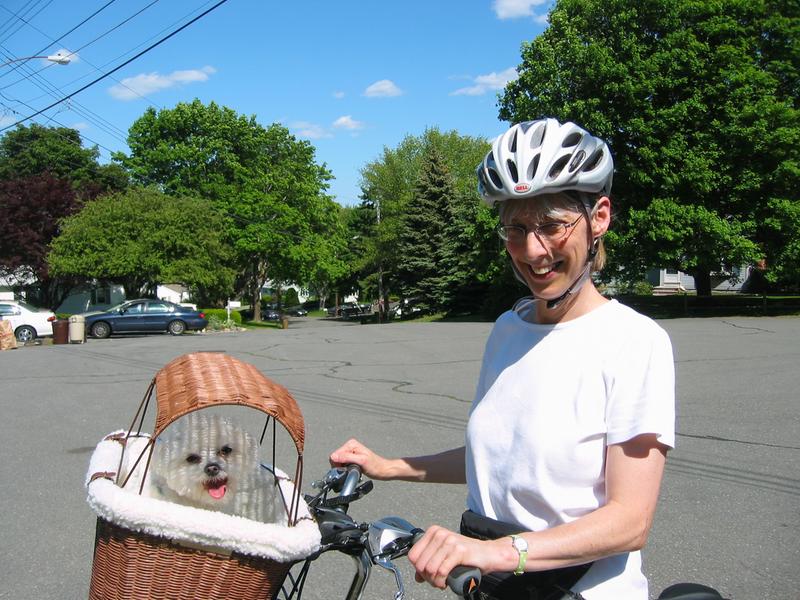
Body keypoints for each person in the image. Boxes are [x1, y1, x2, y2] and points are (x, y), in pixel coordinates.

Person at [331, 118, 675, 600]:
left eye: (553, 225)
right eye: (515, 229)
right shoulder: (508, 330)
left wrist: (494, 553)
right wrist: (390, 466)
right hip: (494, 588)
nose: (533, 251)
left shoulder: (634, 341)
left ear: (599, 216)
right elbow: (501, 458)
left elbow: (629, 521)